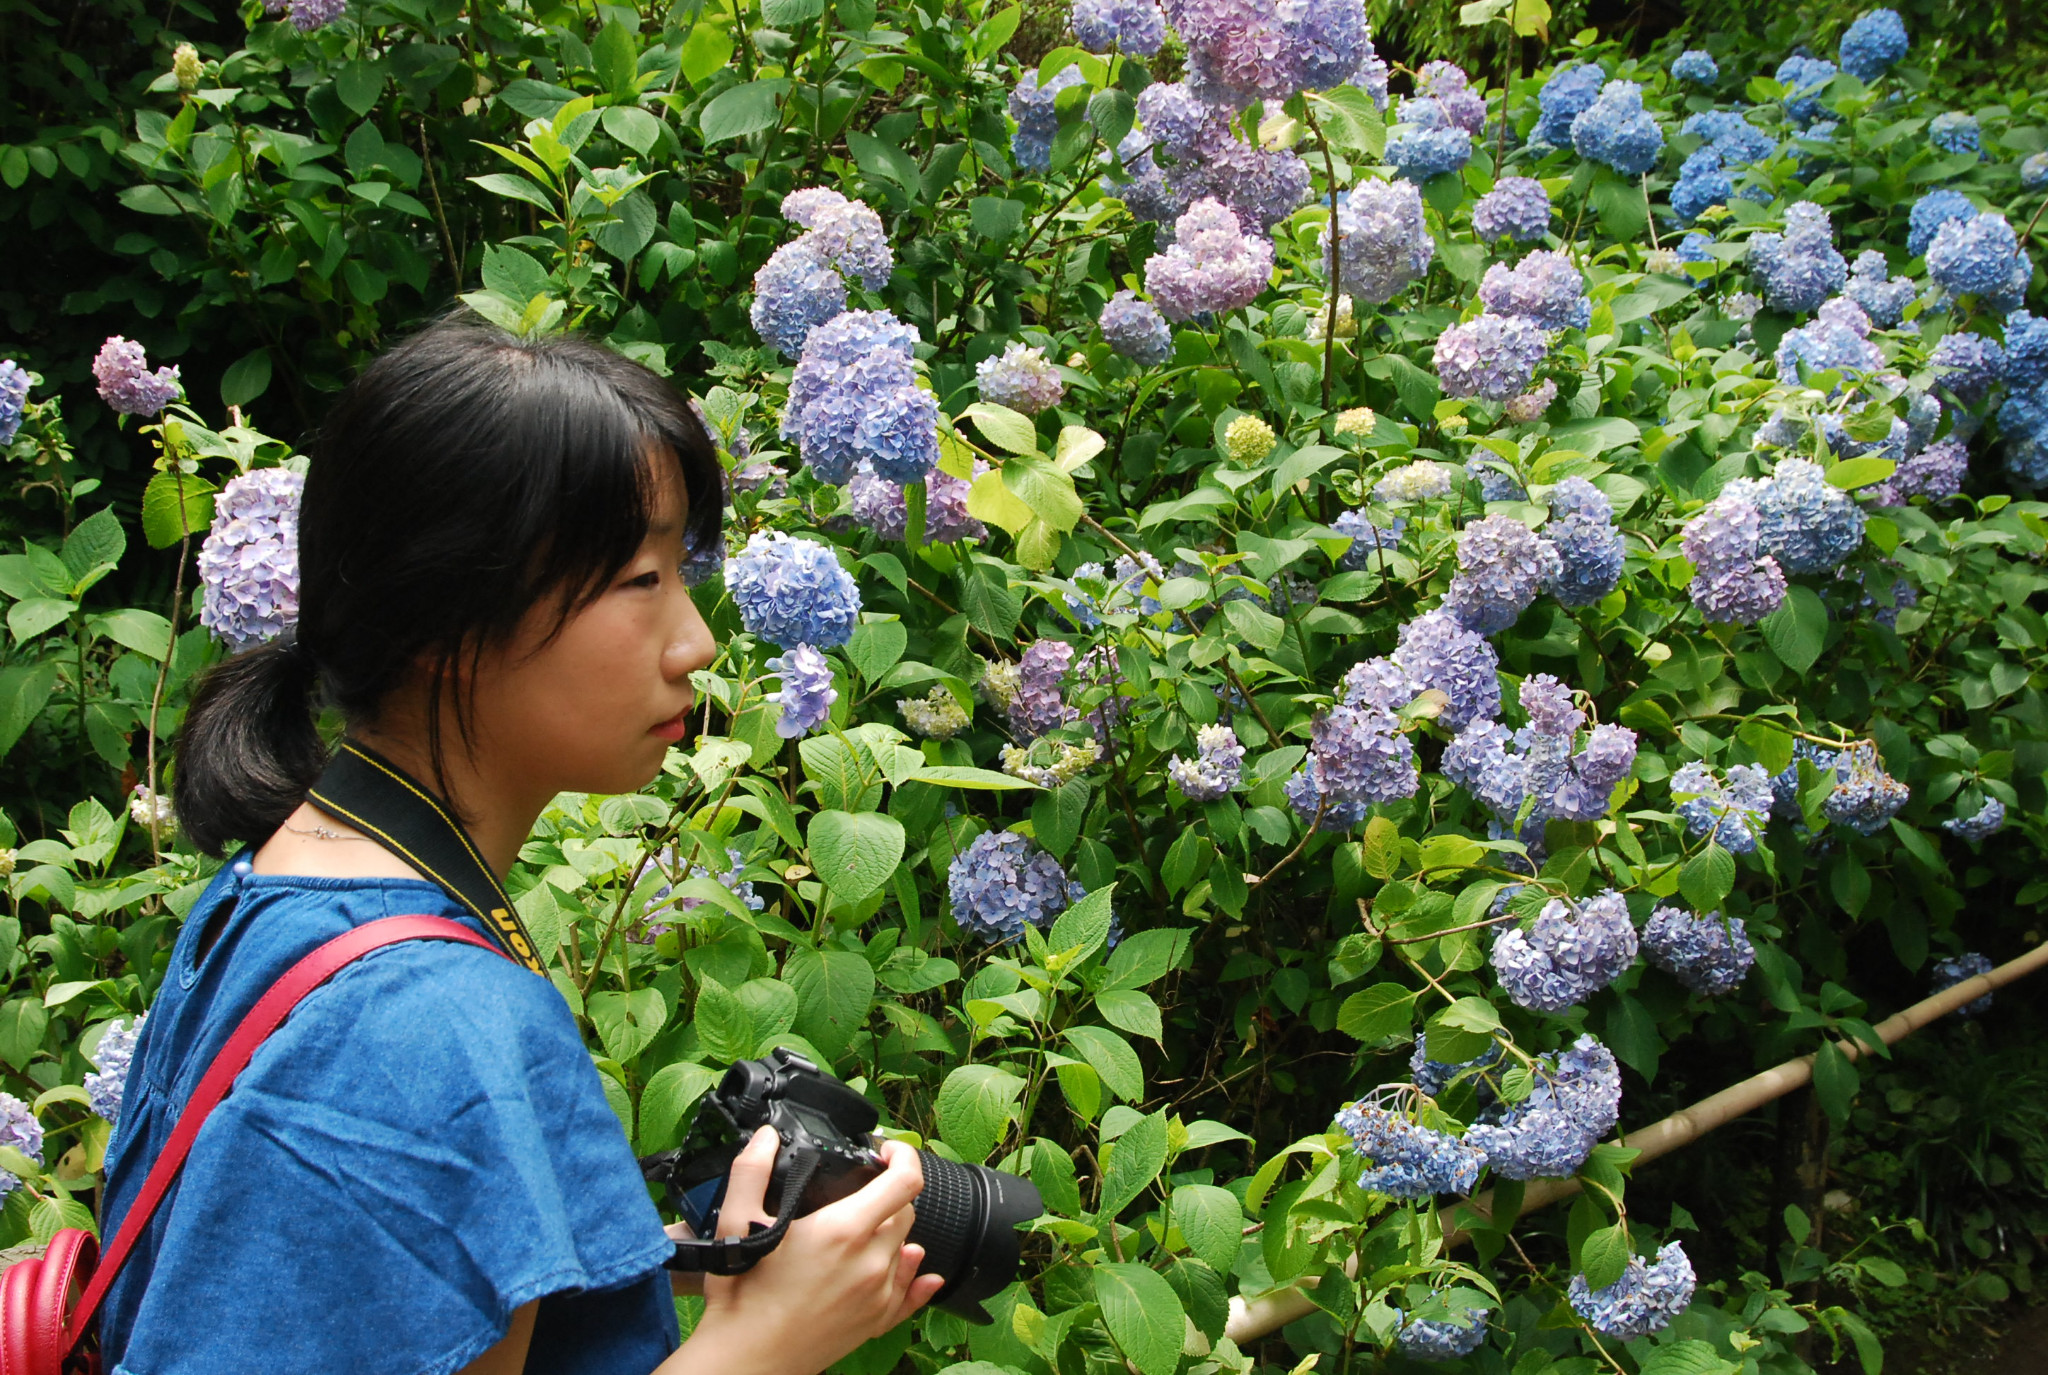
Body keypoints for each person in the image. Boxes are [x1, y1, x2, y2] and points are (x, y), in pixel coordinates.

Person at [98, 313, 945, 1373]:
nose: (697, 642)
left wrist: (671, 1259)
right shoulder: (433, 1020)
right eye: (640, 582)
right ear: (445, 618)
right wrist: (764, 1345)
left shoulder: (280, 886)